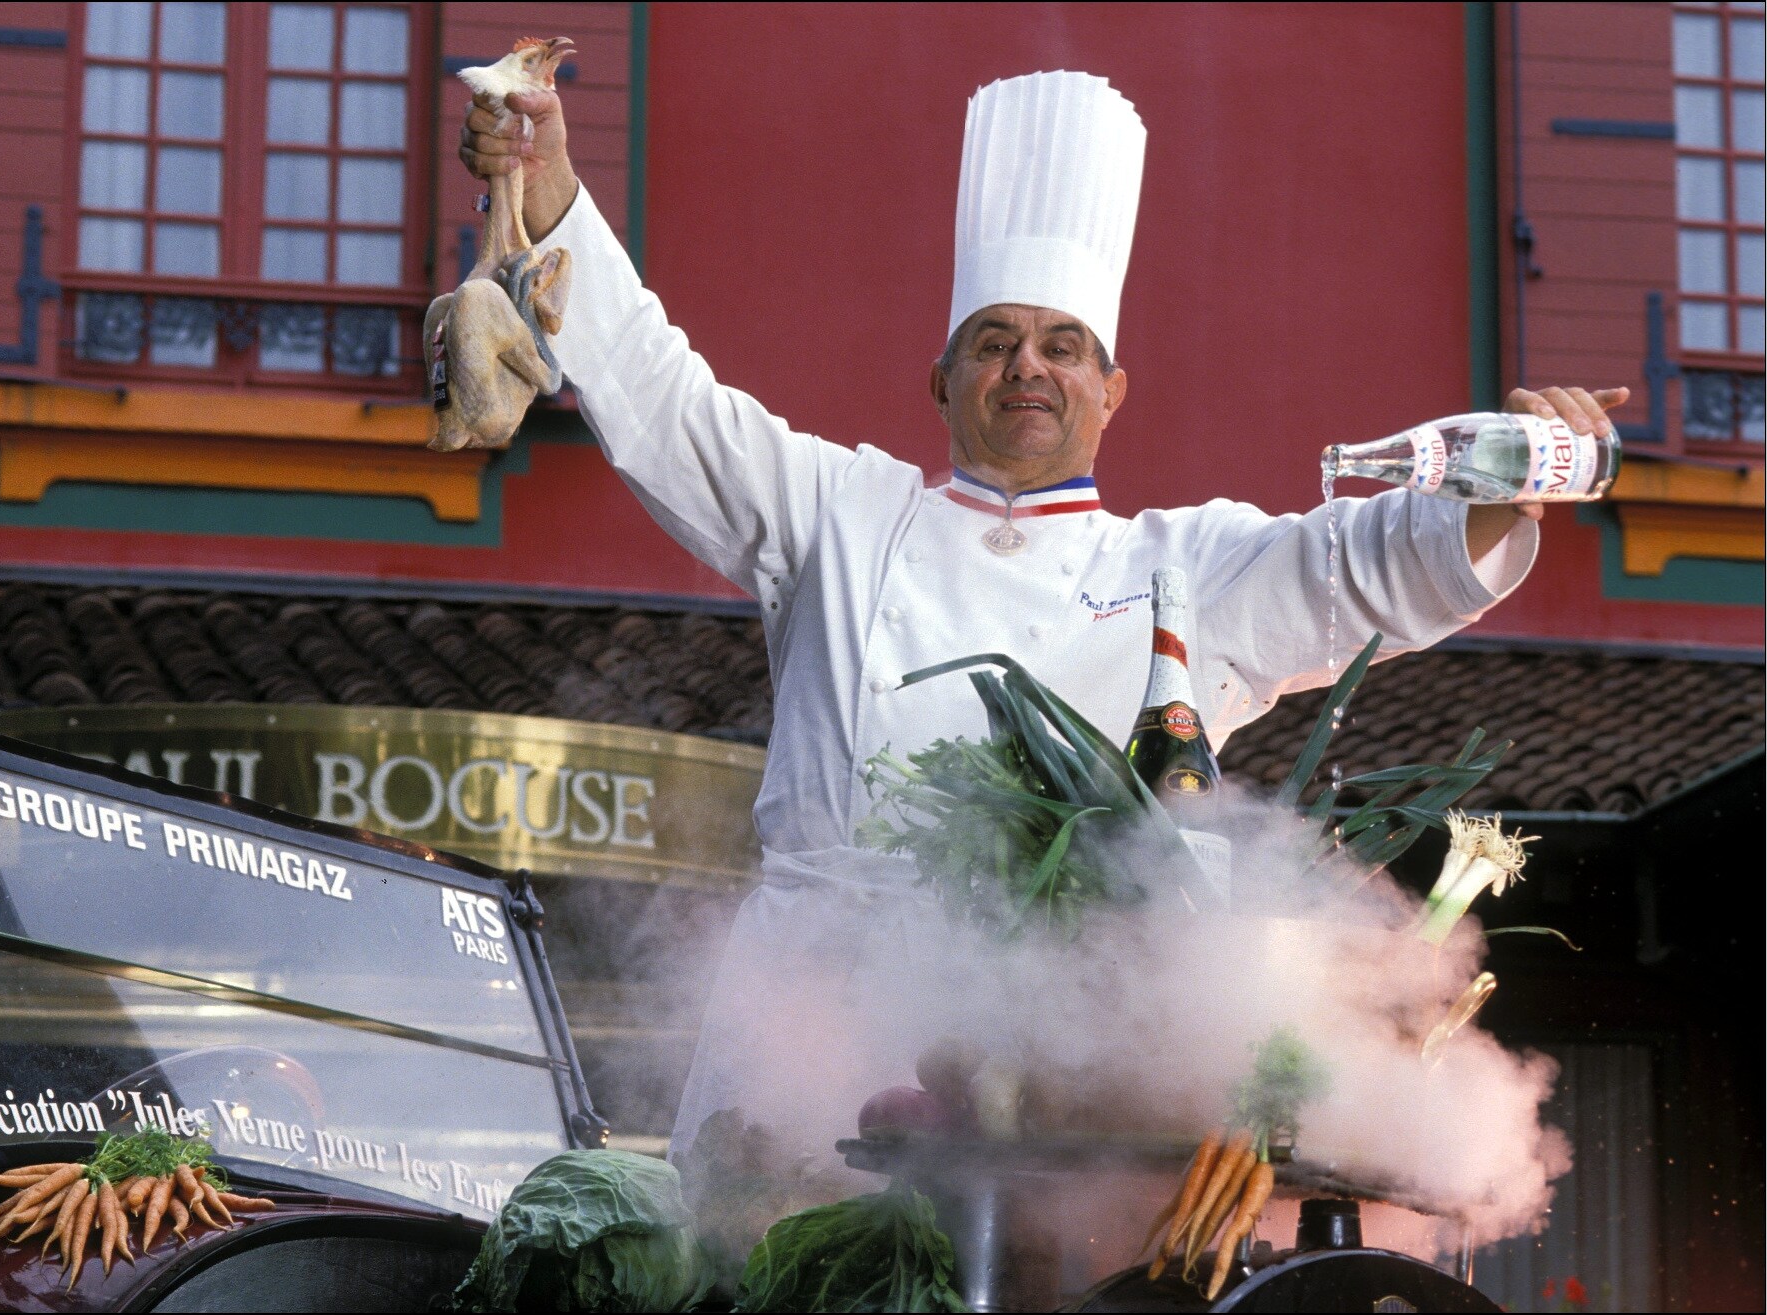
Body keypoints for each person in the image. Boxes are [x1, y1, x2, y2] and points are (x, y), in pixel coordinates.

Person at [459, 71, 1627, 1163]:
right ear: (942, 380)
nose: (1029, 367)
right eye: (994, 342)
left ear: (1109, 391)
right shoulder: (837, 512)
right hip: (800, 1028)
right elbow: (663, 401)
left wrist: (1492, 498)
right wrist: (550, 187)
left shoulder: (1183, 566)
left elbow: (1365, 569)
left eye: (1063, 346)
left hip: (1052, 1063)